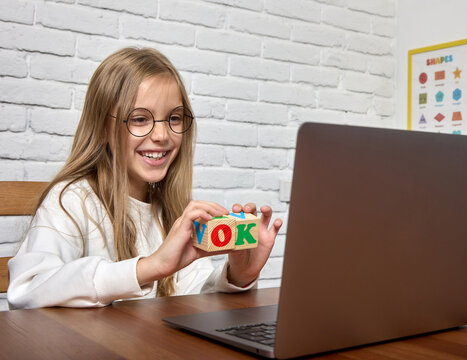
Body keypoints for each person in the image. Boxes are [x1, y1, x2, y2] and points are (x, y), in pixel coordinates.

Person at [7, 47, 282, 309]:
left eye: (174, 118)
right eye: (139, 119)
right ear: (102, 127)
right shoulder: (71, 201)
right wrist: (149, 267)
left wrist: (238, 276)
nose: (162, 135)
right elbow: (26, 291)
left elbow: (193, 298)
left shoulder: (173, 208)